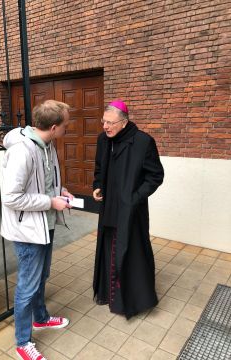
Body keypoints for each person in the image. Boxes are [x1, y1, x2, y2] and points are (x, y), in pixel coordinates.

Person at [1, 100, 73, 360]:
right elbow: (11, 197)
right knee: (27, 286)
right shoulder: (22, 151)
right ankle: (22, 342)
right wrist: (49, 202)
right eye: (65, 125)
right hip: (27, 230)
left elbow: (45, 181)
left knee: (41, 276)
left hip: (45, 224)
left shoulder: (48, 144)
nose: (67, 129)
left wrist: (59, 192)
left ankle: (40, 319)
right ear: (53, 127)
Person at [92, 100, 164, 319]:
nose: (105, 126)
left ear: (124, 122)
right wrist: (97, 186)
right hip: (109, 208)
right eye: (103, 121)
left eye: (110, 123)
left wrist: (135, 198)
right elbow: (98, 168)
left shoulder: (143, 142)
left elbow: (155, 176)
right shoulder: (103, 140)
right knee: (109, 249)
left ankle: (130, 300)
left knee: (130, 252)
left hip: (131, 211)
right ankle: (109, 292)